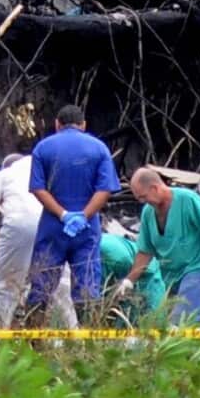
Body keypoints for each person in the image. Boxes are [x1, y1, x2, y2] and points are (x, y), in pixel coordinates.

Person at [27, 105, 121, 322]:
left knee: (41, 286)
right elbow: (104, 189)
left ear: (57, 124)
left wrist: (63, 215)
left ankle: (33, 347)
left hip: (52, 226)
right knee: (87, 289)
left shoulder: (43, 148)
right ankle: (89, 348)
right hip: (87, 230)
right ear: (84, 125)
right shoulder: (99, 148)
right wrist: (83, 215)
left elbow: (37, 188)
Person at [117, 168, 200, 323]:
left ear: (154, 188)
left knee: (181, 322)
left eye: (143, 197)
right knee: (164, 323)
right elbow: (145, 252)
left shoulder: (186, 199)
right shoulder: (148, 212)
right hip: (171, 276)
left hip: (197, 268)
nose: (142, 202)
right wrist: (129, 280)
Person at [0, 154, 78, 328]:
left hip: (21, 225)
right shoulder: (51, 171)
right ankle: (71, 340)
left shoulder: (5, 175)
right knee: (60, 287)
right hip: (56, 224)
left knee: (4, 286)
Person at [99, 233, 166, 325]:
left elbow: (124, 289)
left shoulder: (116, 258)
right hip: (116, 273)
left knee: (153, 323)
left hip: (146, 274)